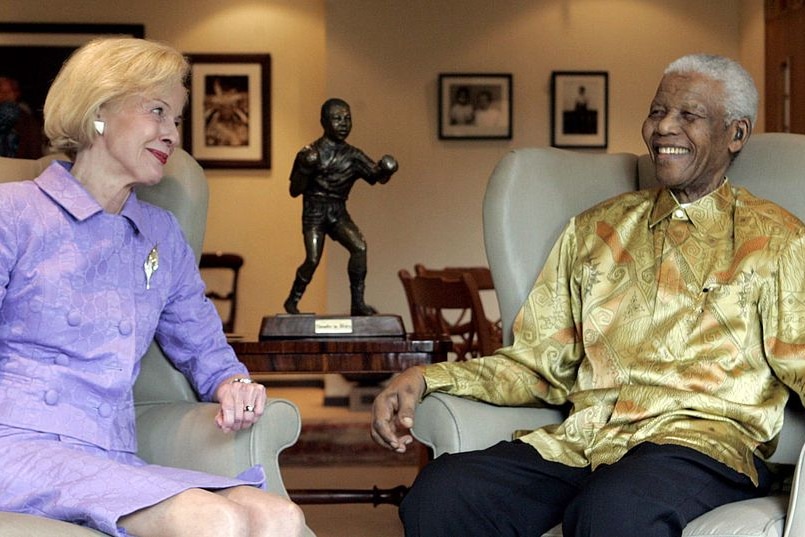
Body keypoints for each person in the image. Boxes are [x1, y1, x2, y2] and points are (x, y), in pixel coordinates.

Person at [372, 54, 805, 537]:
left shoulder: (777, 241)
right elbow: (536, 364)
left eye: (688, 115)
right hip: (586, 441)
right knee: (442, 494)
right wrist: (425, 377)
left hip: (703, 447)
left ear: (737, 134)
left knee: (614, 512)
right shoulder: (594, 230)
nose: (663, 128)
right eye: (657, 111)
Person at [0, 38, 305, 537]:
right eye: (158, 111)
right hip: (17, 446)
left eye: (177, 120)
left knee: (279, 516)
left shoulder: (160, 234)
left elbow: (203, 345)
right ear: (98, 110)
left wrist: (233, 384)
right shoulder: (13, 212)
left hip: (111, 452)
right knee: (209, 519)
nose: (172, 135)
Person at [283, 98, 398, 316]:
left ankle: (358, 303)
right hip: (314, 211)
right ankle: (292, 300)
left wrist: (386, 170)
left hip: (338, 210)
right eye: (337, 119)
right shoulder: (310, 153)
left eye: (347, 119)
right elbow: (295, 190)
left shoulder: (353, 155)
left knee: (359, 248)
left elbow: (375, 176)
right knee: (313, 259)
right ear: (324, 122)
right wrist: (306, 169)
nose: (343, 124)